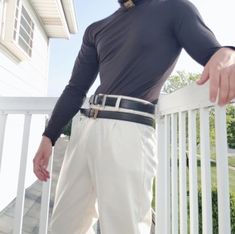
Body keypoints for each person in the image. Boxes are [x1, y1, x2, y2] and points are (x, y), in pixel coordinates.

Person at [33, 0, 235, 233]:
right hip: (84, 129)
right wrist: (49, 136)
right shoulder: (96, 29)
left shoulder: (175, 8)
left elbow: (212, 51)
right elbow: (75, 89)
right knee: (63, 226)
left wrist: (227, 53)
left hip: (129, 129)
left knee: (124, 227)